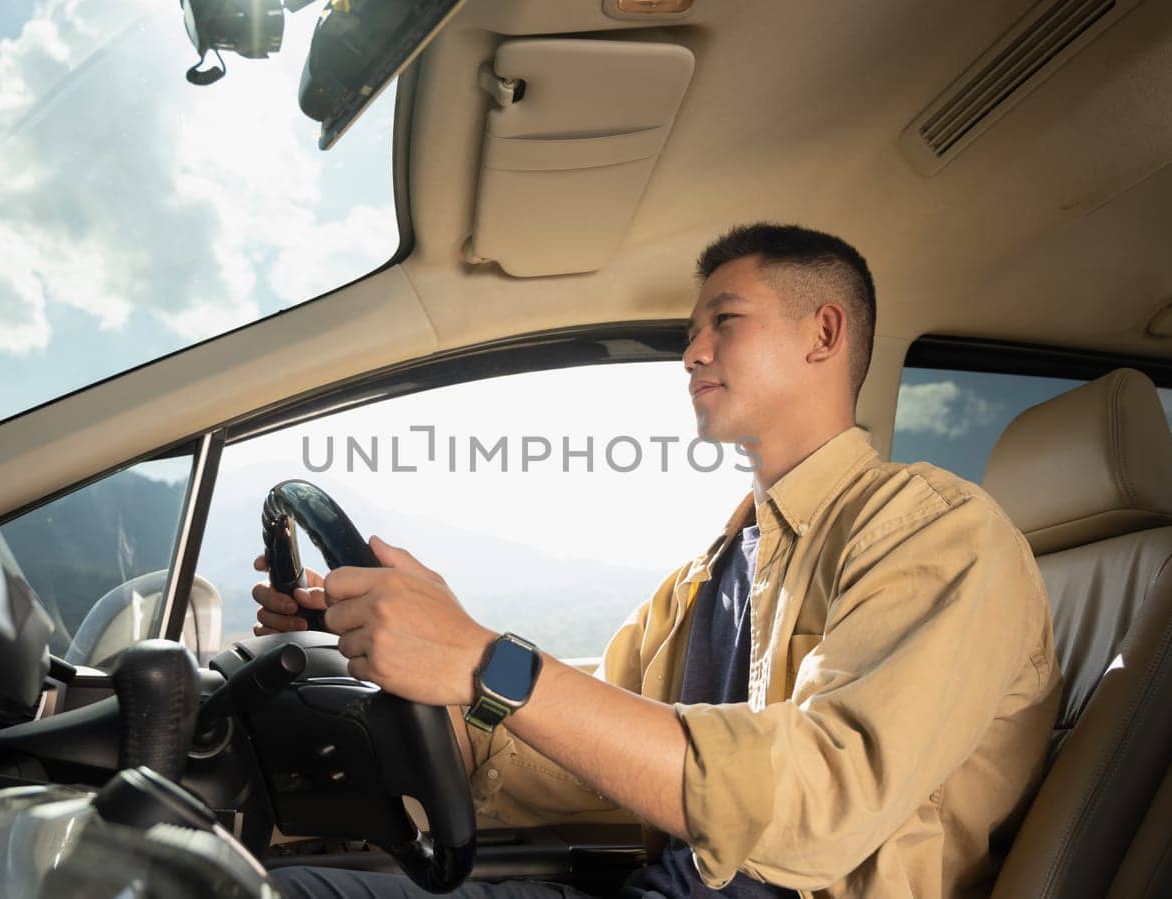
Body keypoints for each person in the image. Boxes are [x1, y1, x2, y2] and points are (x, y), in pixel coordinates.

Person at [254, 223, 1061, 898]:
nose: (691, 353)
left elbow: (823, 802)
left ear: (823, 332)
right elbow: (576, 756)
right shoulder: (705, 579)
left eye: (725, 321)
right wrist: (399, 655)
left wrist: (480, 657)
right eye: (690, 333)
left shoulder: (937, 532)